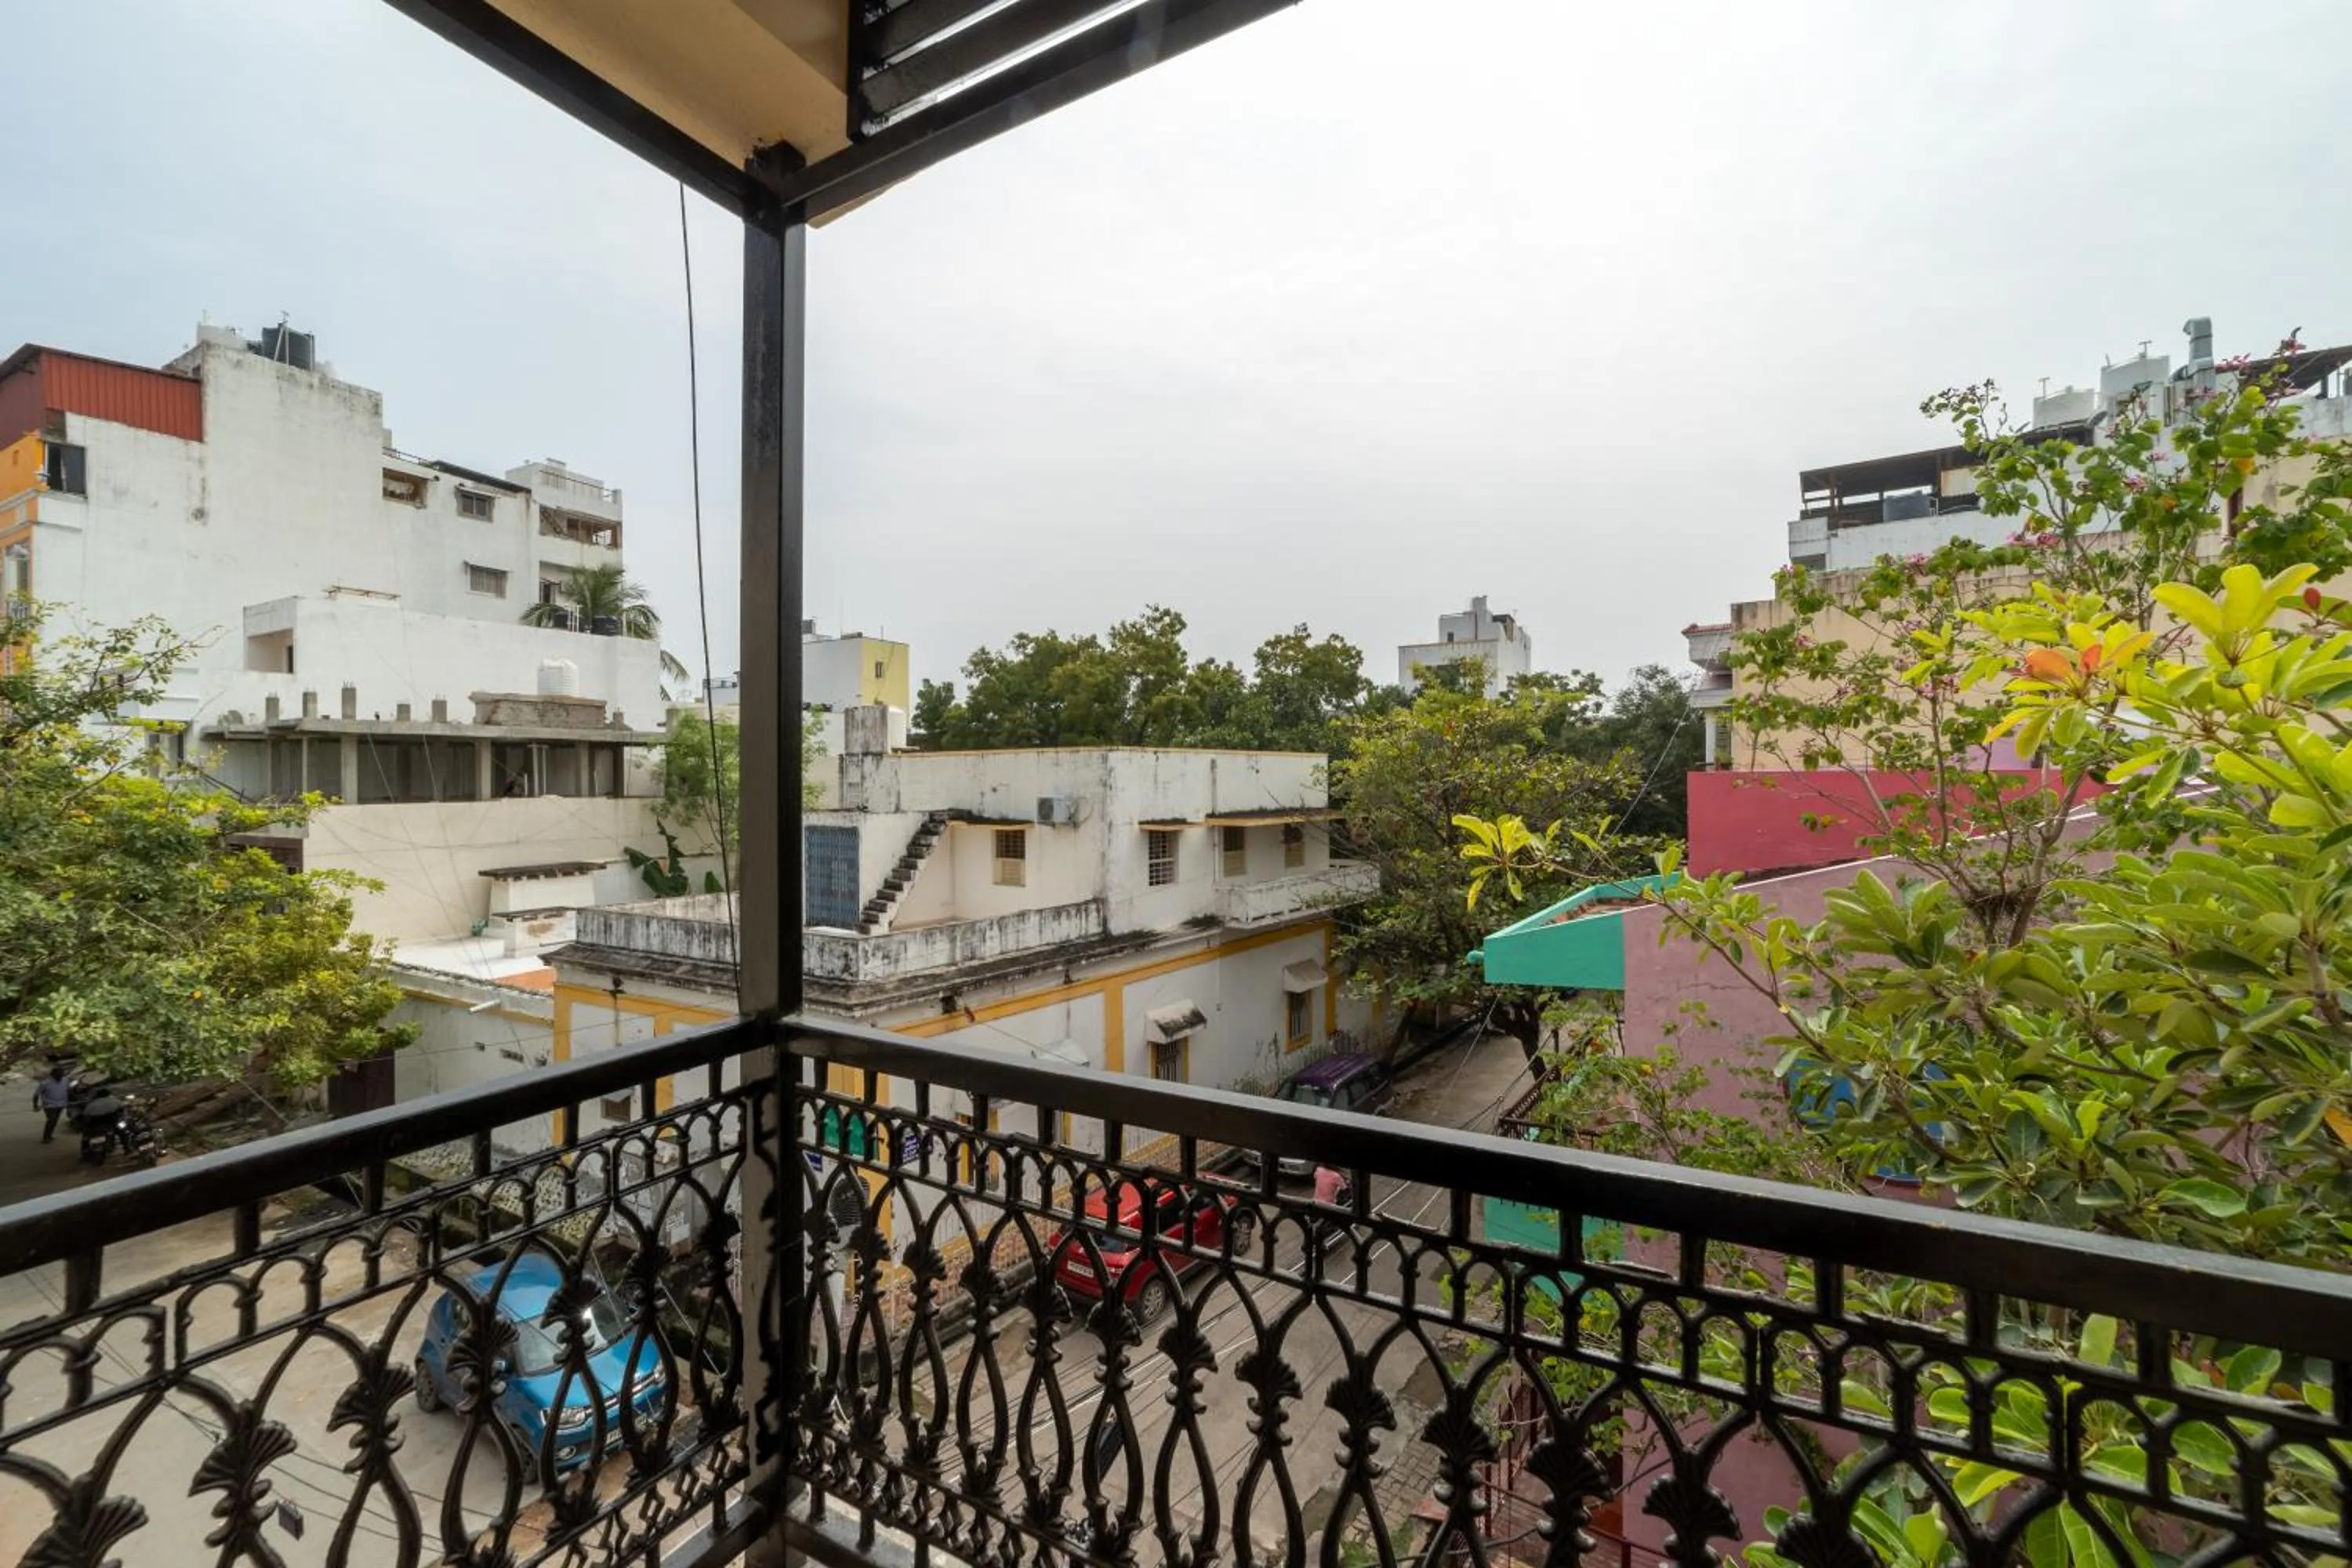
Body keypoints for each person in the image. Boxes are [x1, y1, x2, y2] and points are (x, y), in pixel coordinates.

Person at [32, 1066, 71, 1144]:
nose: (60, 1076)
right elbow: (36, 1095)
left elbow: (69, 1090)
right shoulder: (45, 1083)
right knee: (51, 1119)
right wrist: (35, 1106)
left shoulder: (65, 1081)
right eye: (58, 1075)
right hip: (49, 1105)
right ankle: (46, 1137)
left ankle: (50, 1135)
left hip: (61, 1104)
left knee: (55, 1120)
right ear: (53, 1075)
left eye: (62, 1074)